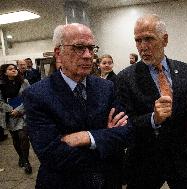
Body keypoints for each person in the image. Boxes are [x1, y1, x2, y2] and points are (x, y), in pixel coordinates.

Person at [23, 23, 132, 189]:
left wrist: (86, 137)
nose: (89, 55)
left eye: (91, 48)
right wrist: (105, 138)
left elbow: (126, 132)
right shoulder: (37, 94)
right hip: (64, 183)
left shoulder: (106, 87)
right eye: (79, 47)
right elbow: (52, 155)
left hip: (108, 181)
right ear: (58, 54)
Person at [116, 14, 187, 189]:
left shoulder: (186, 71)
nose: (142, 47)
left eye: (149, 39)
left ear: (164, 40)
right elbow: (125, 123)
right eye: (138, 40)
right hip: (144, 160)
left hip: (182, 157)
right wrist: (153, 119)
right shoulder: (125, 78)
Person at [0, 64, 32, 174]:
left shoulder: (24, 82)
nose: (14, 70)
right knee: (15, 138)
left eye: (14, 68)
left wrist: (19, 110)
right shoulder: (1, 84)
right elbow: (0, 101)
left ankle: (26, 161)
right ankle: (21, 157)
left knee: (23, 136)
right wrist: (10, 110)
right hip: (9, 115)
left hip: (22, 114)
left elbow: (29, 97)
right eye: (10, 69)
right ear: (5, 72)